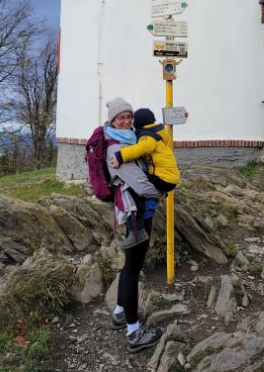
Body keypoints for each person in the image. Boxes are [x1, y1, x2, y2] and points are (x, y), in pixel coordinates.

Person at [104, 97, 164, 353]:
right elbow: (139, 183)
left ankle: (119, 313)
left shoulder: (129, 141)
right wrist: (159, 192)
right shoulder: (115, 148)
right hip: (135, 215)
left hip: (135, 213)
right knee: (132, 270)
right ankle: (133, 332)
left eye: (129, 116)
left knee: (130, 266)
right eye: (121, 117)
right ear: (113, 121)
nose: (127, 120)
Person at [110, 107, 181, 195]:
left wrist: (121, 155)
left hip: (162, 179)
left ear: (138, 123)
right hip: (169, 179)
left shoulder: (148, 136)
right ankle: (160, 194)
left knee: (136, 180)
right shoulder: (155, 133)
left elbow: (141, 148)